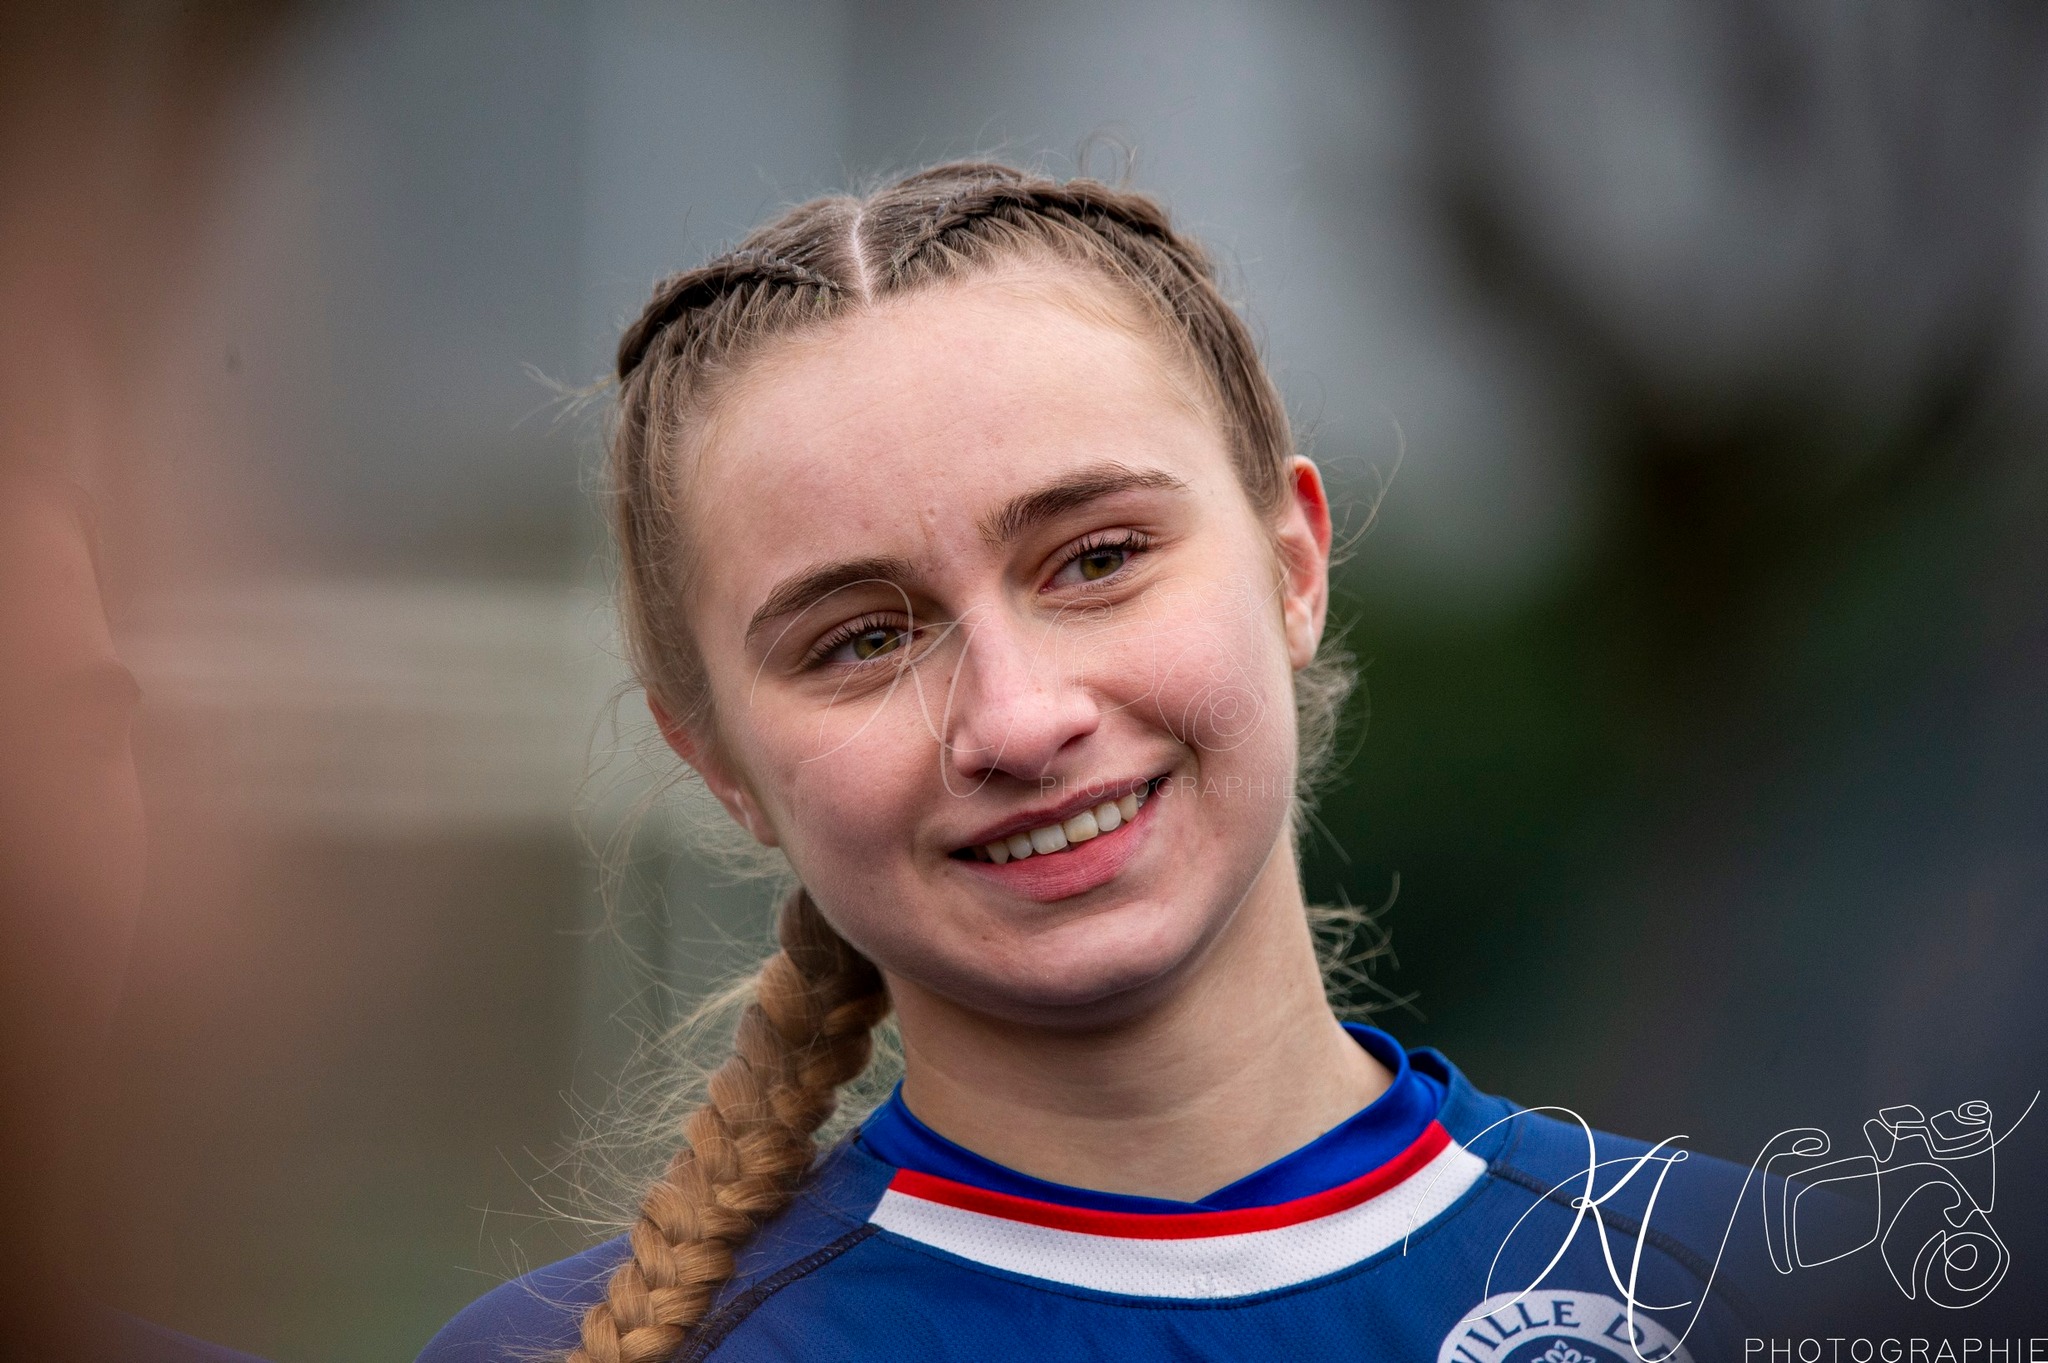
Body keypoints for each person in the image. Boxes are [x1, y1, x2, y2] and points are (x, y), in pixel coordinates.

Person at [418, 162, 1873, 1363]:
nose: (1016, 717)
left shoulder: (1770, 1300)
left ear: (1294, 561)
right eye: (861, 640)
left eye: (1099, 558)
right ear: (717, 761)